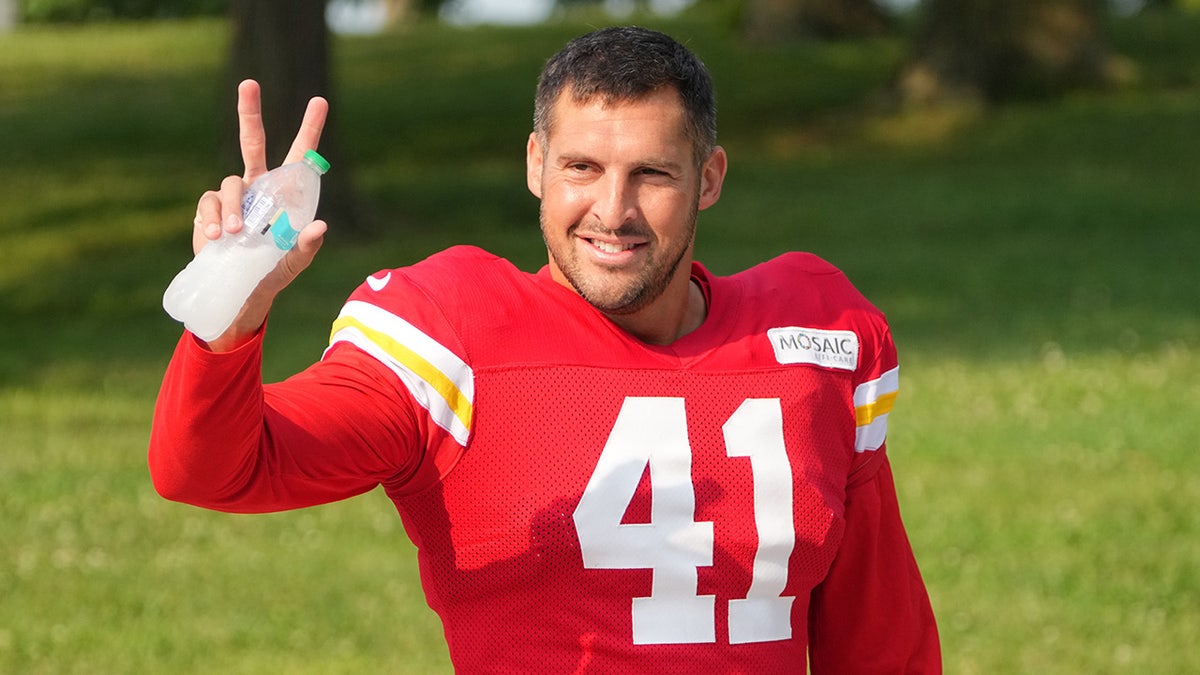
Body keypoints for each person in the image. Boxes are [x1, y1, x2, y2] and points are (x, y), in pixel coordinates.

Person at [150, 26, 940, 673]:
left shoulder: (817, 335)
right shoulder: (450, 331)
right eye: (582, 168)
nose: (613, 209)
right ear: (536, 166)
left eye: (652, 173)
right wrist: (228, 320)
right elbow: (213, 467)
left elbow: (883, 646)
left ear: (709, 177)